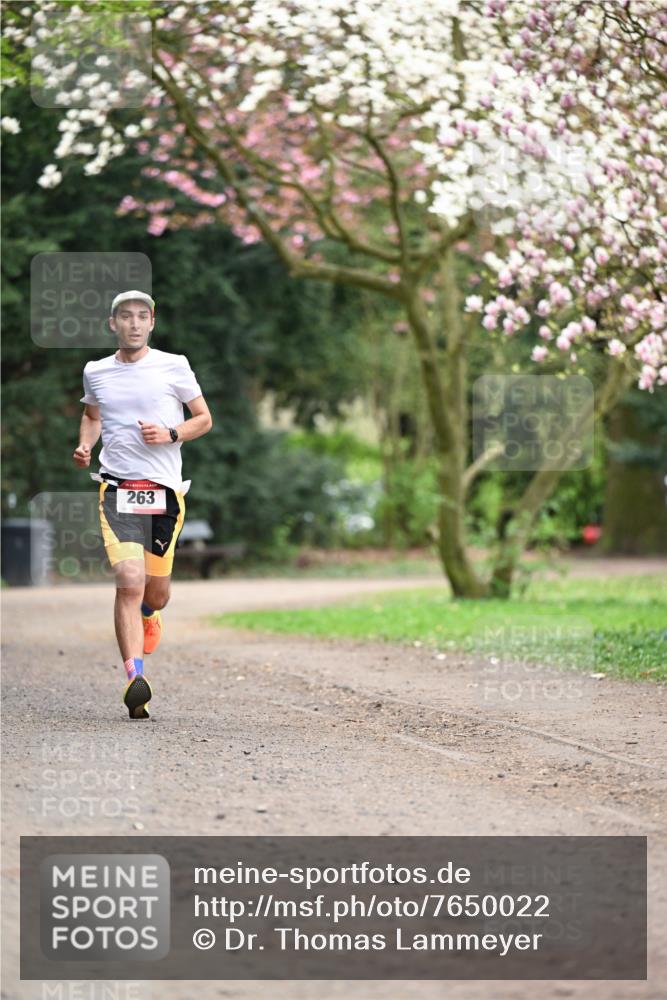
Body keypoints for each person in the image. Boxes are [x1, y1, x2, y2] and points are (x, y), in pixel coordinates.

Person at [72, 290, 212, 719]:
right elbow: (92, 416)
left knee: (156, 593)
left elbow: (203, 419)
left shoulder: (175, 366)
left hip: (165, 491)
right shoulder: (96, 371)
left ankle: (150, 613)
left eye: (141, 316)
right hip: (116, 487)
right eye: (125, 316)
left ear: (152, 322)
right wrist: (84, 445)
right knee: (128, 581)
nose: (133, 323)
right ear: (112, 324)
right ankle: (136, 679)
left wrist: (171, 434)